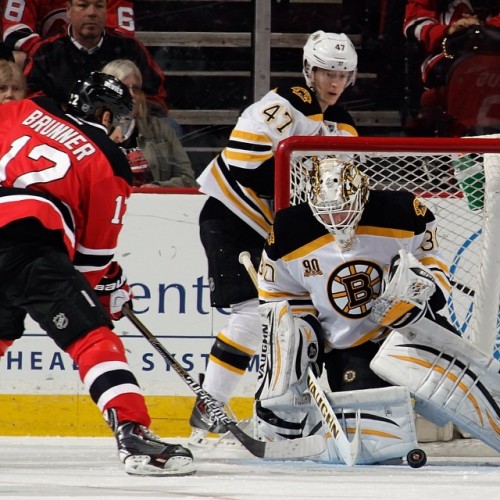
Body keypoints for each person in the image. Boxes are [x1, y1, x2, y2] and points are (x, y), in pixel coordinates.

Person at [0, 71, 194, 476]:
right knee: (91, 336)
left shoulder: (22, 108)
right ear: (106, 115)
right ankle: (133, 430)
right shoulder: (107, 157)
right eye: (121, 119)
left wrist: (107, 279)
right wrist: (108, 289)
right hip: (26, 241)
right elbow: (91, 262)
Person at [254, 157, 500, 462]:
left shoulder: (402, 211)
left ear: (361, 196)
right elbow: (278, 294)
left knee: (468, 398)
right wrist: (303, 332)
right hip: (349, 346)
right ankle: (284, 426)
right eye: (326, 213)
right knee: (378, 445)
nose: (336, 220)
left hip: (412, 331)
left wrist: (422, 291)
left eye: (343, 209)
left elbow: (431, 260)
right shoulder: (290, 229)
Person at [189, 30, 359, 443]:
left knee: (294, 317)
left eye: (343, 75)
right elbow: (245, 164)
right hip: (231, 218)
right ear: (308, 70)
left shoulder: (344, 126)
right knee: (251, 314)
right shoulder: (285, 104)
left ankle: (283, 411)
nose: (334, 83)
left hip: (273, 233)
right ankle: (210, 406)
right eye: (326, 73)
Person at [23, 0, 167, 116]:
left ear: (106, 12)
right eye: (83, 5)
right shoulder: (46, 51)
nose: (92, 13)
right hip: (65, 131)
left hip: (123, 127)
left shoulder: (129, 48)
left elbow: (155, 98)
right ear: (69, 10)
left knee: (168, 126)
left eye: (99, 6)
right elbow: (31, 100)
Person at [403, 1, 500, 133]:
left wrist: (482, 29)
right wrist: (448, 31)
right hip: (445, 52)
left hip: (493, 49)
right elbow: (415, 18)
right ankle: (465, 138)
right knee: (470, 73)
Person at [101, 59, 197, 188]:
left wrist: (159, 188)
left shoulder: (161, 129)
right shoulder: (91, 132)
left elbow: (188, 180)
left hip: (154, 204)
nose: (132, 95)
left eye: (136, 89)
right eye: (124, 88)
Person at [2, 0, 134, 66]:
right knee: (18, 57)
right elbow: (15, 31)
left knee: (125, 63)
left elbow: (122, 35)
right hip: (46, 61)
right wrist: (50, 52)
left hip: (99, 57)